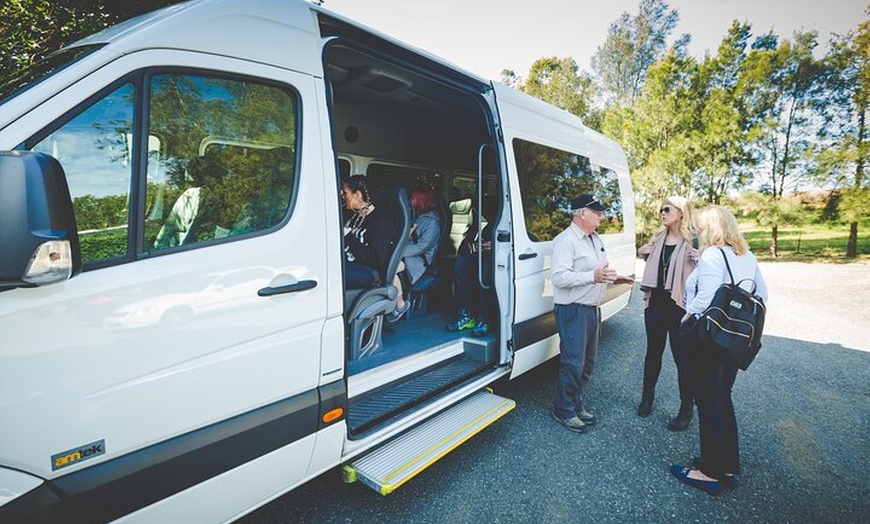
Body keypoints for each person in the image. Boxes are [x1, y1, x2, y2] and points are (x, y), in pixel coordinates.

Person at [669, 205, 768, 495]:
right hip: (733, 339)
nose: (697, 230)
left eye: (700, 226)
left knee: (708, 401)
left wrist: (686, 321)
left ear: (711, 228)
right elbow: (762, 294)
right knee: (722, 398)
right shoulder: (746, 255)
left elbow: (706, 297)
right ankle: (727, 466)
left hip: (707, 337)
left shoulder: (713, 254)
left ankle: (709, 472)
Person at [550, 193, 633, 433]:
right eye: (597, 212)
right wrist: (592, 277)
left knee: (587, 363)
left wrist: (615, 278)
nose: (601, 216)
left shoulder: (595, 239)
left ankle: (576, 403)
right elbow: (559, 277)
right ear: (582, 213)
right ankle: (564, 409)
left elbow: (600, 271)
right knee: (573, 363)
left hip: (591, 309)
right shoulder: (565, 241)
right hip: (573, 310)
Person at [636, 196, 699, 431]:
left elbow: (706, 272)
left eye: (667, 209)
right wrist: (643, 252)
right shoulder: (658, 238)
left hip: (679, 306)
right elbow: (655, 264)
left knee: (682, 358)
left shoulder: (694, 241)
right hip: (656, 303)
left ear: (681, 212)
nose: (662, 213)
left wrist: (701, 260)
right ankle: (647, 399)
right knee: (653, 352)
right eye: (661, 210)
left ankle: (686, 409)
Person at [386, 185, 442, 323]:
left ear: (421, 200)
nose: (410, 201)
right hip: (408, 257)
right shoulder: (419, 218)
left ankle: (399, 304)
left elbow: (421, 247)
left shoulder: (432, 224)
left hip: (418, 262)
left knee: (390, 268)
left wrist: (398, 251)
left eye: (413, 198)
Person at [445, 195, 497, 337]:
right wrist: (479, 246)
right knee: (462, 263)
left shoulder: (506, 222)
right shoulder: (489, 226)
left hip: (500, 260)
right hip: (485, 257)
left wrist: (496, 246)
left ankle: (484, 320)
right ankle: (467, 314)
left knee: (485, 270)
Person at [341, 174, 397, 289]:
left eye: (346, 193)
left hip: (367, 270)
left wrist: (349, 237)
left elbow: (375, 259)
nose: (343, 196)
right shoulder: (353, 215)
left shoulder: (381, 221)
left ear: (357, 195)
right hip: (349, 261)